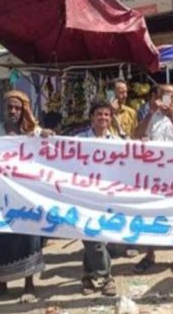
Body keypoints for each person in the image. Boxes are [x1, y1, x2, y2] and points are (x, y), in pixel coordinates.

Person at [0, 90, 53, 302]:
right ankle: (2, 284)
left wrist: (46, 136)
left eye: (17, 108)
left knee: (29, 238)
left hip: (27, 197)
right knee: (2, 239)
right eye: (10, 107)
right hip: (2, 198)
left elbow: (49, 148)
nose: (13, 111)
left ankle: (29, 284)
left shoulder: (33, 134)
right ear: (3, 109)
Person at [133, 84, 173, 275]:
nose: (167, 99)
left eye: (170, 96)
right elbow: (136, 135)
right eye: (163, 95)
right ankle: (150, 254)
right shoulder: (151, 115)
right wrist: (151, 113)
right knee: (150, 213)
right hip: (154, 175)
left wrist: (171, 116)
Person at [76, 100, 118, 296]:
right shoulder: (79, 140)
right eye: (99, 114)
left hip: (107, 196)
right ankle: (106, 276)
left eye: (106, 114)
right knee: (90, 236)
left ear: (111, 118)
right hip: (84, 195)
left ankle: (88, 276)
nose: (103, 117)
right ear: (92, 117)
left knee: (99, 236)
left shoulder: (117, 141)